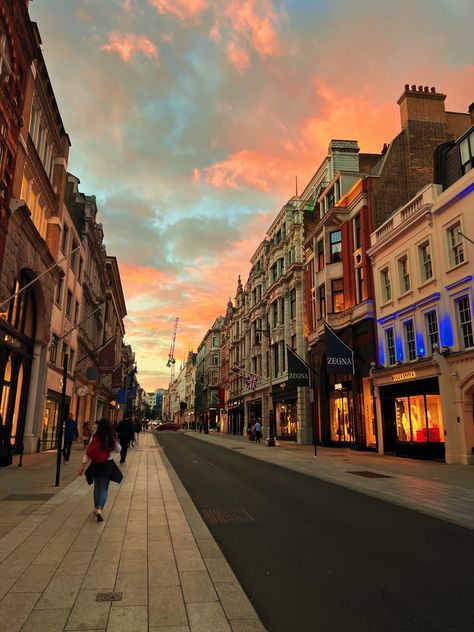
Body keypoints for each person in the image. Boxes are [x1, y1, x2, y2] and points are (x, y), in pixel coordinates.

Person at [78, 417, 121, 521]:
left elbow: (89, 451)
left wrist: (82, 465)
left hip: (96, 465)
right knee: (104, 489)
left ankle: (96, 507)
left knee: (97, 488)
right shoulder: (111, 437)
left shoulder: (95, 437)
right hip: (108, 465)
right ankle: (99, 509)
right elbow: (118, 449)